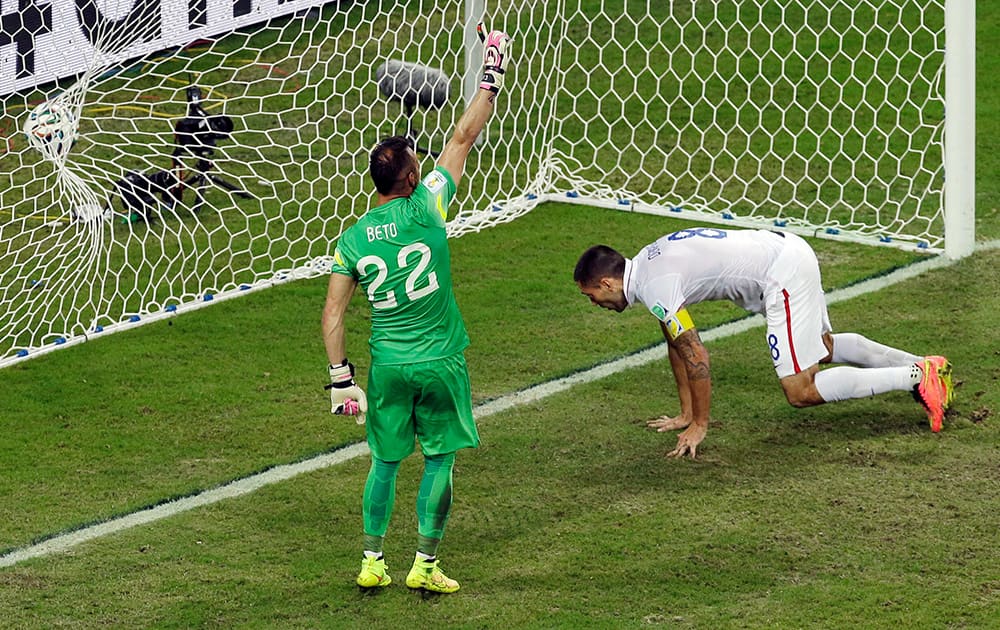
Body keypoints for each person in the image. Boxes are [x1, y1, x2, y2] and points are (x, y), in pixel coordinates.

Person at [321, 24, 511, 593]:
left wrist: (340, 380)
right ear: (410, 178)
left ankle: (371, 561)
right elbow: (462, 136)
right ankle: (424, 567)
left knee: (383, 462)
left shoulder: (351, 239)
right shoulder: (429, 207)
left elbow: (332, 315)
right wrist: (492, 70)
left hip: (388, 367)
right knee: (440, 461)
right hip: (441, 361)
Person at [573, 227, 954, 459]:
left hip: (779, 273)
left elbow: (697, 356)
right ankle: (927, 364)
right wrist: (685, 413)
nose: (596, 304)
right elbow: (674, 340)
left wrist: (701, 425)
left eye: (593, 296)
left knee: (800, 390)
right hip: (784, 250)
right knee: (820, 346)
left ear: (607, 283)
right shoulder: (647, 265)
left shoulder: (654, 284)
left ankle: (918, 376)